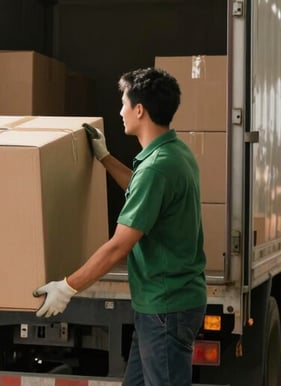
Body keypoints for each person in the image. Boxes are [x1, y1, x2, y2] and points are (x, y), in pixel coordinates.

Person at [33, 67, 207, 386]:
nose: (120, 111)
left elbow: (118, 247)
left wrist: (67, 287)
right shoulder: (174, 153)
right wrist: (104, 157)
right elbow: (141, 190)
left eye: (124, 103)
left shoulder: (157, 168)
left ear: (140, 110)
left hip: (165, 308)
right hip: (164, 304)